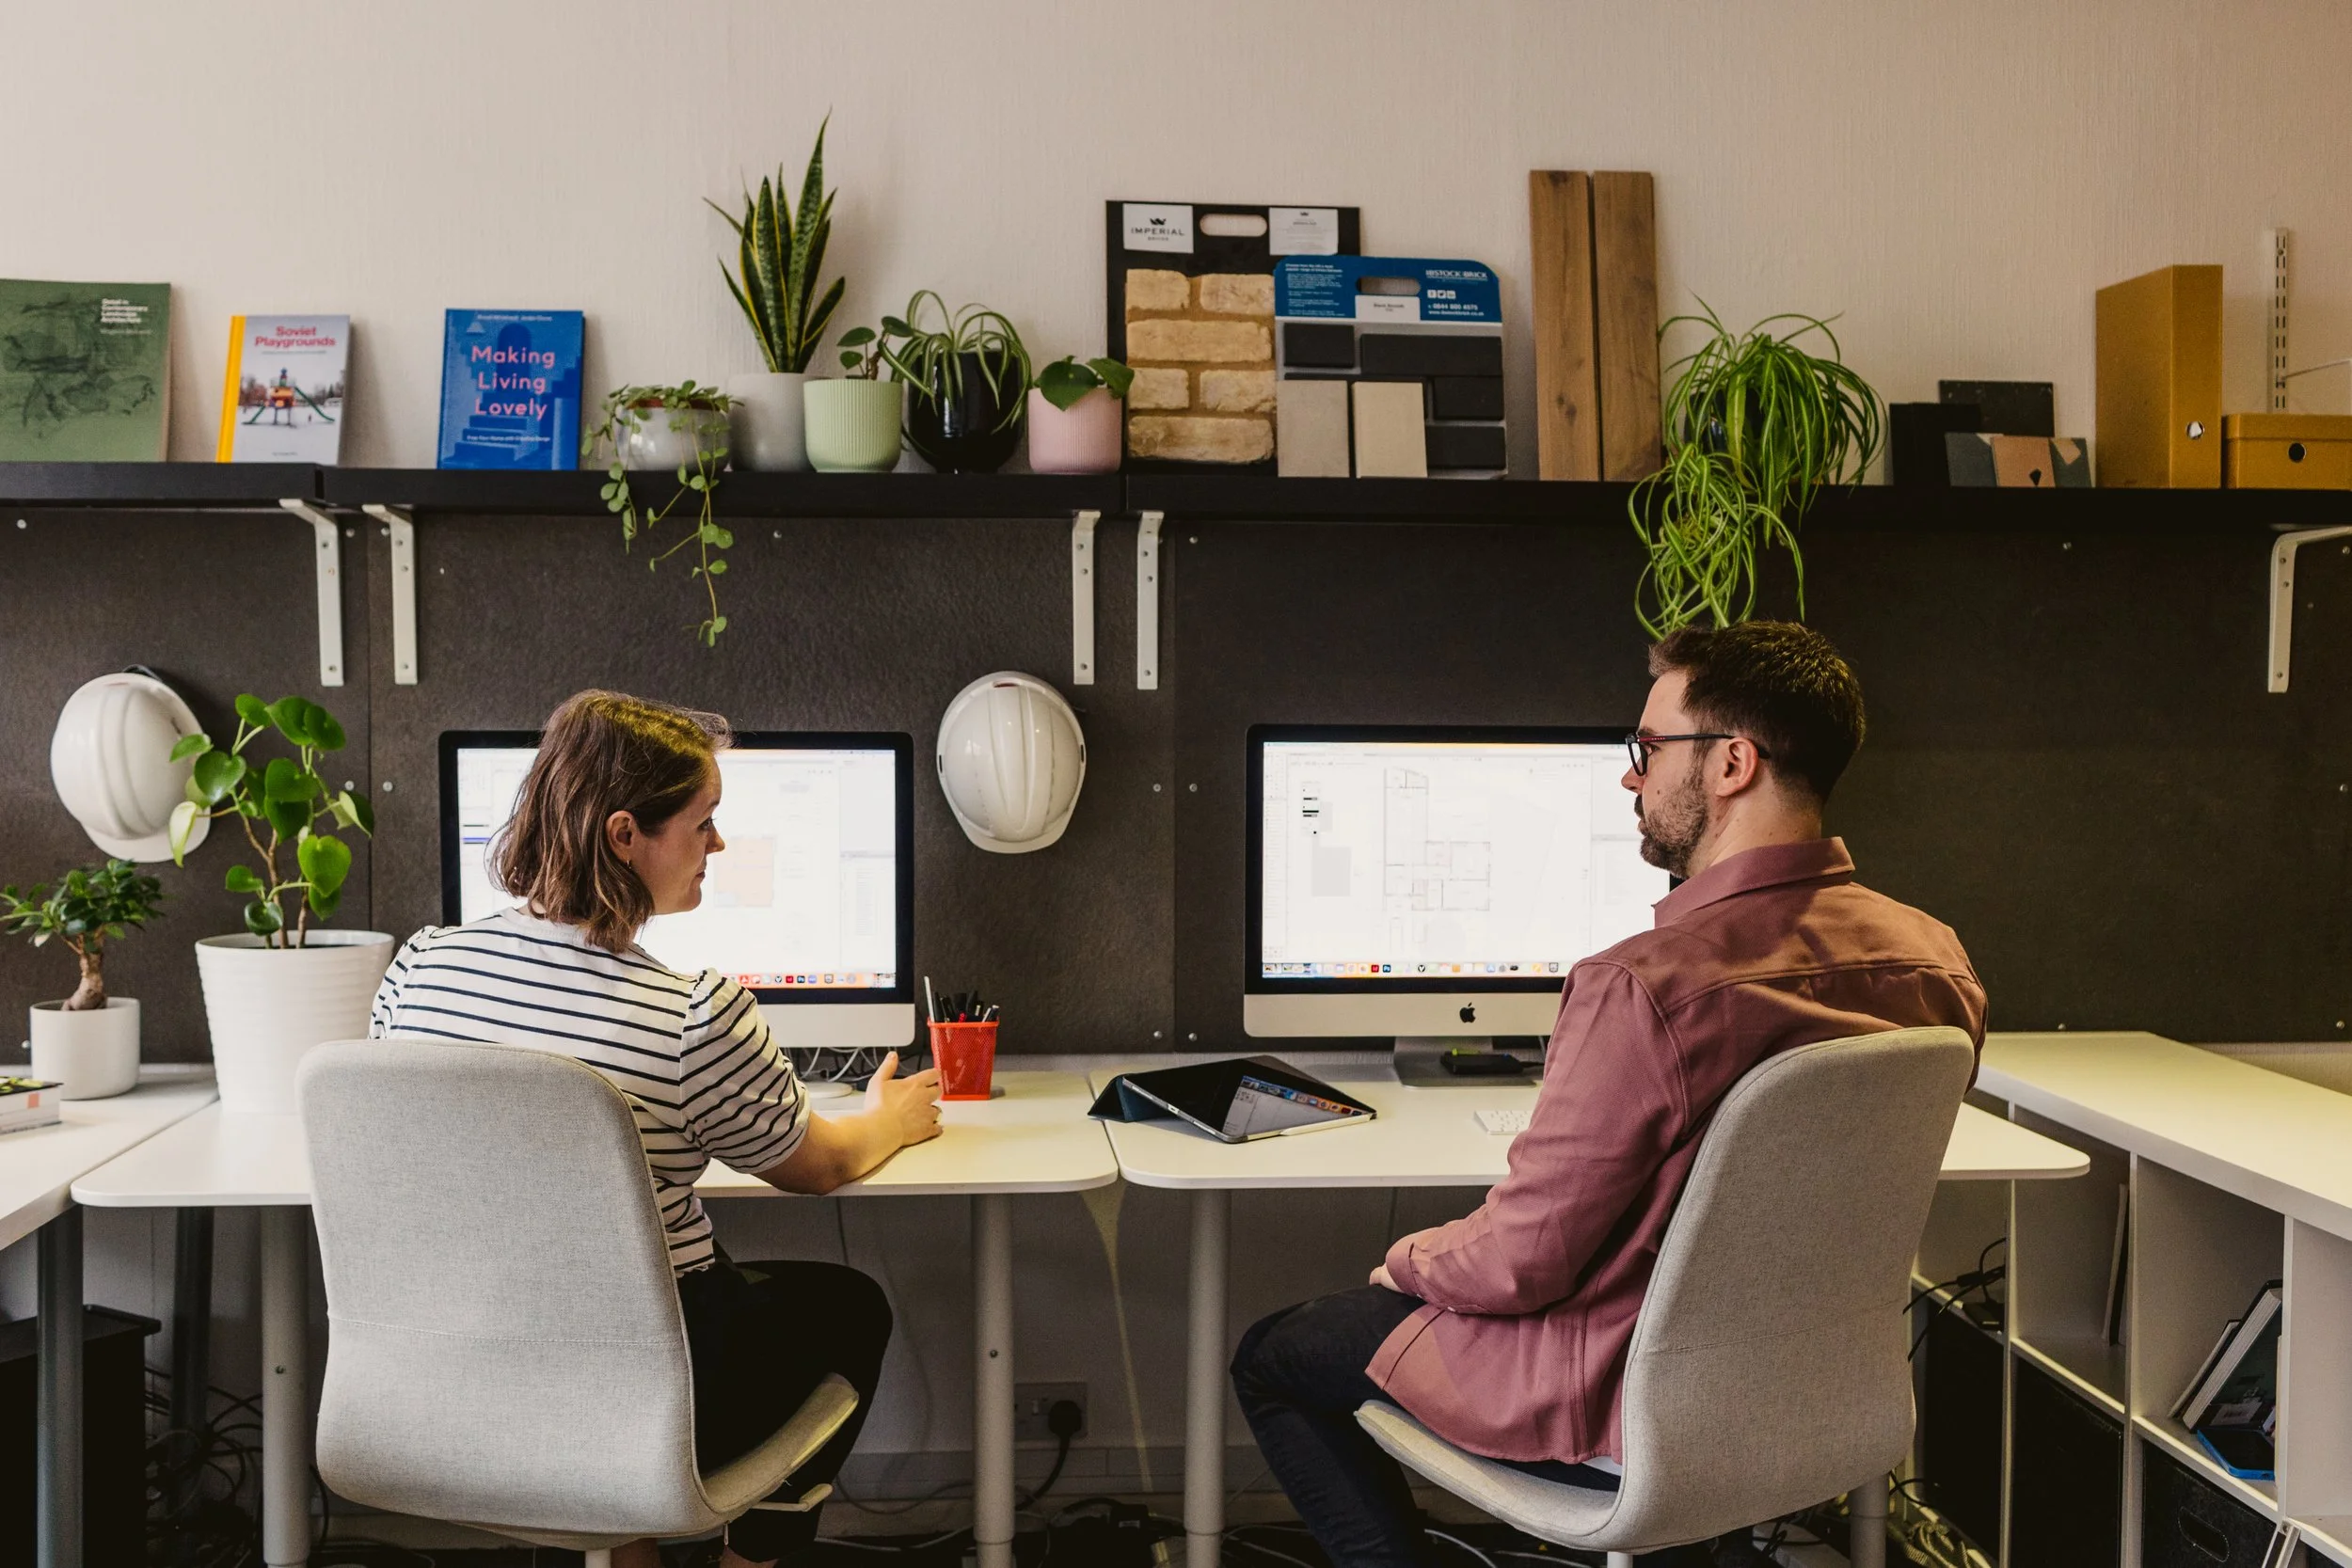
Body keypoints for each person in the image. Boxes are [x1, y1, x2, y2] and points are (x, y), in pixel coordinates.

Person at [1231, 622, 1989, 1568]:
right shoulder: (1933, 958)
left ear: (1730, 763)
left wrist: (1411, 1258)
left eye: (1647, 749)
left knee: (1275, 1354)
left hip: (1615, 1403)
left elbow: (1523, 1262)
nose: (1629, 777)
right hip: (1800, 1400)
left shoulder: (1645, 984)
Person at [368, 690, 942, 1568]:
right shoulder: (691, 1015)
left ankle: (630, 1553)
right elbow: (818, 1168)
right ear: (625, 834)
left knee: (579, 1297)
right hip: (645, 1395)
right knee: (846, 1305)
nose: (718, 845)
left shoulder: (420, 967)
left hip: (462, 1373)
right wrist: (888, 1117)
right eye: (705, 822)